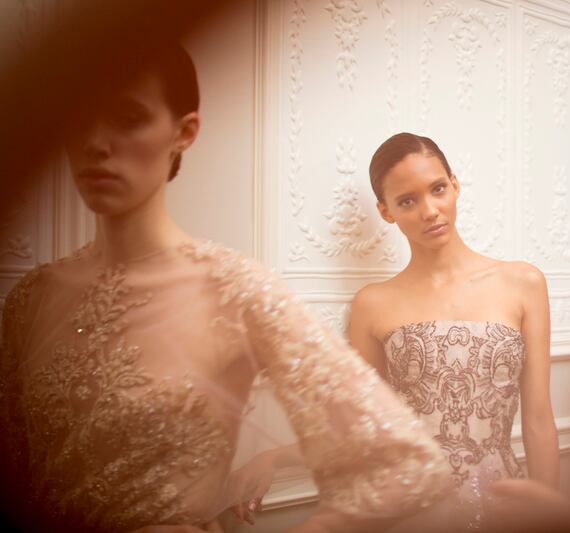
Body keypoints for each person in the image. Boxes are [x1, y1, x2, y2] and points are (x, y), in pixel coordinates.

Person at [0, 41, 451, 533]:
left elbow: (406, 462)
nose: (94, 143)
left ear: (184, 132)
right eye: (77, 119)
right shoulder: (30, 299)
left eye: (128, 118)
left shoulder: (237, 292)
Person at [348, 133, 559, 530]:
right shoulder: (370, 304)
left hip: (503, 503)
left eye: (438, 189)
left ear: (455, 185)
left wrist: (549, 513)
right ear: (385, 211)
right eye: (407, 201)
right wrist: (272, 458)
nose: (430, 211)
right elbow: (364, 429)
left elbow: (538, 418)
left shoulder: (523, 282)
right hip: (413, 509)